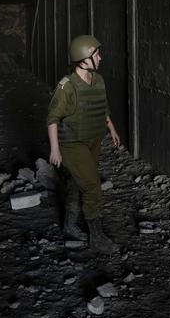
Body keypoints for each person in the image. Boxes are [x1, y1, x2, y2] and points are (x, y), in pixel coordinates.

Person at [46, 34, 121, 254]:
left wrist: (112, 130)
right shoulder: (67, 86)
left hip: (93, 139)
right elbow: (52, 118)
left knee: (78, 183)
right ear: (84, 60)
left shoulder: (98, 80)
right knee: (92, 186)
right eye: (97, 54)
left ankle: (69, 226)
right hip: (71, 143)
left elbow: (102, 107)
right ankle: (97, 237)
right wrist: (55, 149)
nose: (101, 57)